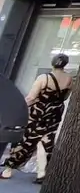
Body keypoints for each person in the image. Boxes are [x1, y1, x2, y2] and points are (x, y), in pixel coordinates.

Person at [1, 54, 72, 182]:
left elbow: (31, 97)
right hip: (55, 113)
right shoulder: (69, 79)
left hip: (38, 113)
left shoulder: (43, 78)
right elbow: (65, 97)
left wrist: (20, 108)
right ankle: (42, 173)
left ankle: (8, 170)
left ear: (53, 63)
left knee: (26, 141)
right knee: (46, 142)